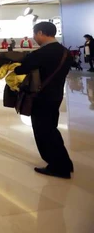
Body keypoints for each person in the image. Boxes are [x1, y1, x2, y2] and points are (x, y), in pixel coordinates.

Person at [14, 22, 73, 179]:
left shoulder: (41, 53)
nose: (34, 38)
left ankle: (58, 167)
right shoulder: (65, 52)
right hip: (56, 96)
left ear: (40, 32)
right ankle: (65, 163)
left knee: (43, 132)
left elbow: (21, 69)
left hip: (40, 98)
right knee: (52, 129)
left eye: (35, 34)